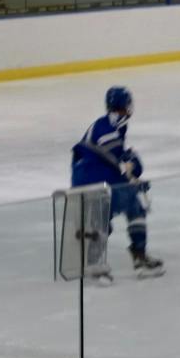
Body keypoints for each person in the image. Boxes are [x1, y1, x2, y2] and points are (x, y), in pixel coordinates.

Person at [70, 86, 164, 279]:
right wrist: (131, 179)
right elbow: (116, 163)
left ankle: (94, 261)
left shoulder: (106, 124)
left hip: (82, 179)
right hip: (95, 178)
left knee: (102, 217)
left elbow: (114, 162)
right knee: (135, 208)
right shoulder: (110, 129)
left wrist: (130, 177)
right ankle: (139, 257)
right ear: (125, 105)